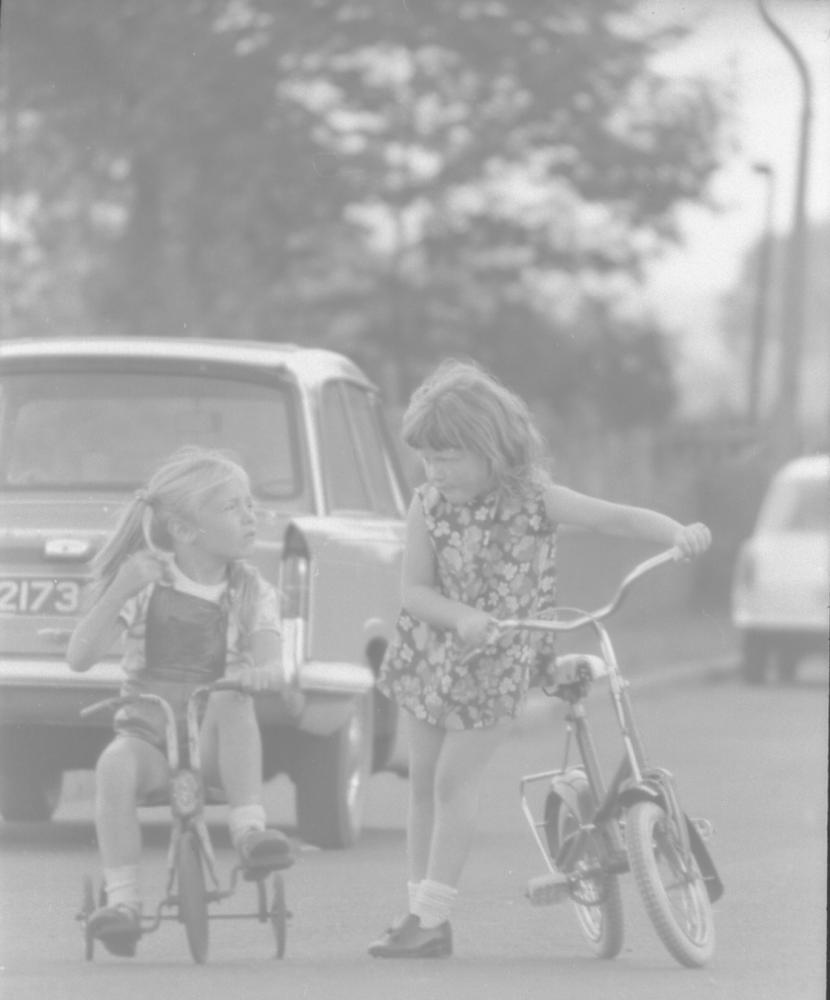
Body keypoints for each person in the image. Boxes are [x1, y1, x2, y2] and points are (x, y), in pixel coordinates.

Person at [368, 359, 711, 959]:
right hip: (431, 652)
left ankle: (432, 912)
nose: (436, 471)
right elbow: (414, 592)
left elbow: (614, 517)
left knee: (453, 781)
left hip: (498, 660)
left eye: (449, 457)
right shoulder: (426, 507)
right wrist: (460, 617)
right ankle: (421, 914)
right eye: (429, 458)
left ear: (492, 449)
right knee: (421, 782)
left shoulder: (535, 500)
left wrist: (676, 532)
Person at [67, 446, 297, 957]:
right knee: (113, 767)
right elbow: (80, 657)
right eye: (232, 507)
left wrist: (265, 673)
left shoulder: (251, 590)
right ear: (186, 530)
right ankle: (124, 903)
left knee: (232, 697)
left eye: (249, 504)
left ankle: (249, 833)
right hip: (150, 734)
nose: (250, 515)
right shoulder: (148, 586)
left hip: (216, 739)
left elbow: (271, 656)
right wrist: (121, 586)